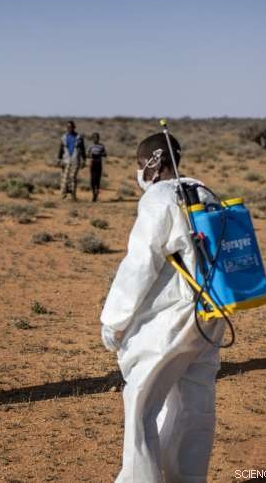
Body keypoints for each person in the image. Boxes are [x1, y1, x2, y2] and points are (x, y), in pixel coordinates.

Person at [99, 133, 223, 483]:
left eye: (141, 165)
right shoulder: (204, 192)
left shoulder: (159, 199)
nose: (140, 173)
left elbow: (141, 264)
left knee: (141, 403)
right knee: (194, 405)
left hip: (171, 319)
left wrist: (114, 320)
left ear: (153, 164)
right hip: (211, 314)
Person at [58, 120, 86, 200]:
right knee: (65, 178)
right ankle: (63, 195)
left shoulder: (79, 137)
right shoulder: (64, 137)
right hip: (66, 160)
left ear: (74, 127)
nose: (69, 128)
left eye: (70, 127)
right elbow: (61, 149)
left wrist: (84, 160)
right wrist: (59, 159)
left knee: (73, 177)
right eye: (68, 127)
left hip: (75, 160)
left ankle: (72, 196)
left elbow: (83, 149)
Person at [87, 132, 107, 202]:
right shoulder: (90, 146)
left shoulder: (101, 146)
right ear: (92, 139)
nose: (95, 139)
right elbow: (87, 154)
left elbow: (105, 154)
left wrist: (100, 154)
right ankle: (94, 194)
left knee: (97, 179)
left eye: (97, 138)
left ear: (99, 138)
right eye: (94, 138)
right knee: (92, 180)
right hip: (92, 163)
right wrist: (91, 155)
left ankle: (96, 194)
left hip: (98, 163)